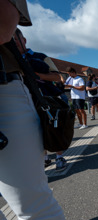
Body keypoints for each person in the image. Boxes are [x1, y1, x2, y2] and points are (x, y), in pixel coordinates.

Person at [0, 0, 73, 220]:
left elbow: (3, 21)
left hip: (9, 90)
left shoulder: (39, 58)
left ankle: (58, 156)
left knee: (31, 203)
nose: (25, 42)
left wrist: (39, 75)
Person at [13, 28, 69, 171]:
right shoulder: (10, 60)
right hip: (24, 100)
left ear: (23, 40)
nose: (13, 43)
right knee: (36, 130)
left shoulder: (41, 56)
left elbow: (57, 77)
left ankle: (59, 157)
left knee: (53, 127)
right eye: (10, 40)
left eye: (15, 39)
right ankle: (44, 158)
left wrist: (36, 75)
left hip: (46, 99)